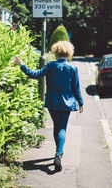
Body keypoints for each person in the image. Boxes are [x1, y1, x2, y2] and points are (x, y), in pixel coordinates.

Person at [14, 40, 84, 172]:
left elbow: (34, 75)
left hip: (52, 102)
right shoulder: (73, 68)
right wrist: (80, 102)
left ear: (56, 52)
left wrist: (22, 65)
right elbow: (76, 88)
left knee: (56, 127)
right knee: (62, 128)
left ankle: (58, 152)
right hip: (67, 103)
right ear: (69, 53)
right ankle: (58, 154)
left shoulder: (51, 66)